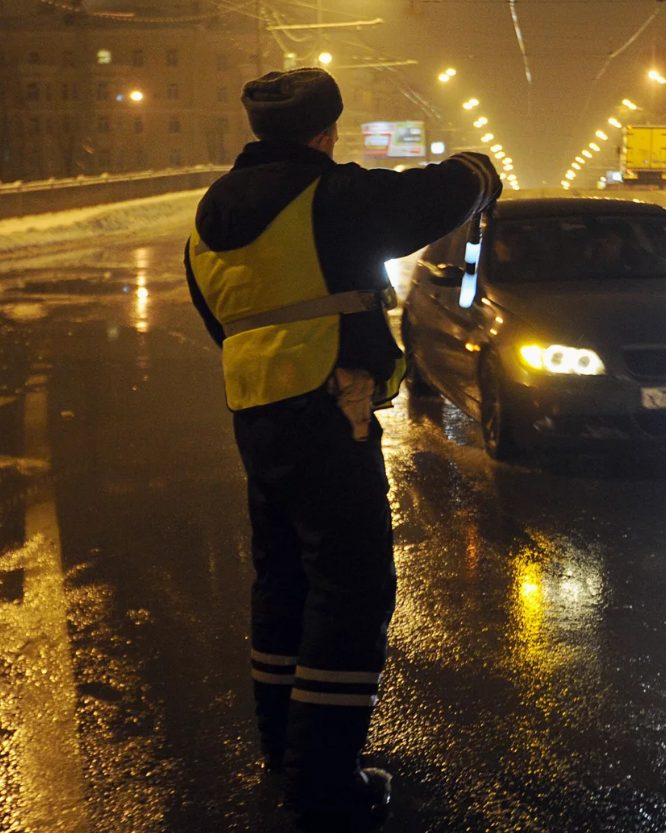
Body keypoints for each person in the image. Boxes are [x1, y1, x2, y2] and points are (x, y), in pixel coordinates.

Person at [184, 67, 501, 832]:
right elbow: (432, 196)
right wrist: (480, 169)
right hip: (329, 405)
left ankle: (282, 747)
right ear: (324, 134)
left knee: (284, 575)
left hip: (256, 411)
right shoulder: (330, 197)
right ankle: (324, 779)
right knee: (350, 585)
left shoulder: (208, 214)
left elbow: (215, 314)